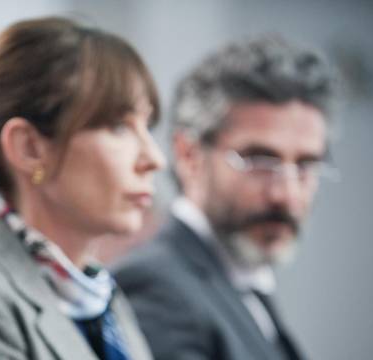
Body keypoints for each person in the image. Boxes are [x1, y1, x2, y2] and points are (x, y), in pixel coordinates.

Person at [0, 17, 165, 360]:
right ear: (29, 149)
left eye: (147, 125)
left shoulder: (101, 296)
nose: (154, 158)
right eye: (118, 126)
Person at [113, 35, 337, 360]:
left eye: (305, 165)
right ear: (189, 155)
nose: (286, 195)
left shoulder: (243, 281)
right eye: (259, 160)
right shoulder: (157, 287)